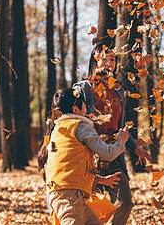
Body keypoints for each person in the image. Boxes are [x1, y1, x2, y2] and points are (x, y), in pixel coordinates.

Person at [73, 44, 153, 225]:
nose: (109, 63)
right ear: (95, 61)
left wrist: (135, 147)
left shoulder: (119, 92)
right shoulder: (83, 88)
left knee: (125, 203)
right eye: (104, 58)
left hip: (114, 154)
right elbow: (75, 120)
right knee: (88, 209)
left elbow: (121, 127)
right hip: (89, 156)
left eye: (112, 59)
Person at [37, 87, 130, 225]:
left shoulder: (59, 129)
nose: (86, 108)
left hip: (65, 193)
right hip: (69, 196)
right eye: (84, 105)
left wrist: (99, 180)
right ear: (75, 109)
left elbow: (69, 167)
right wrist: (121, 141)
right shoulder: (80, 126)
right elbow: (108, 153)